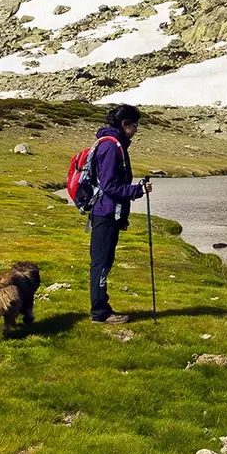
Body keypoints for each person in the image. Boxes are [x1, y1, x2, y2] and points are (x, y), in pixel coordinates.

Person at [86, 104, 150, 324]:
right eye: (135, 125)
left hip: (110, 213)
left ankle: (101, 308)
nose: (136, 129)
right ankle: (100, 313)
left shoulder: (116, 145)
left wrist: (122, 217)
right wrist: (137, 191)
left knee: (104, 261)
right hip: (104, 213)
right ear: (124, 124)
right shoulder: (112, 147)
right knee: (101, 263)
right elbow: (110, 186)